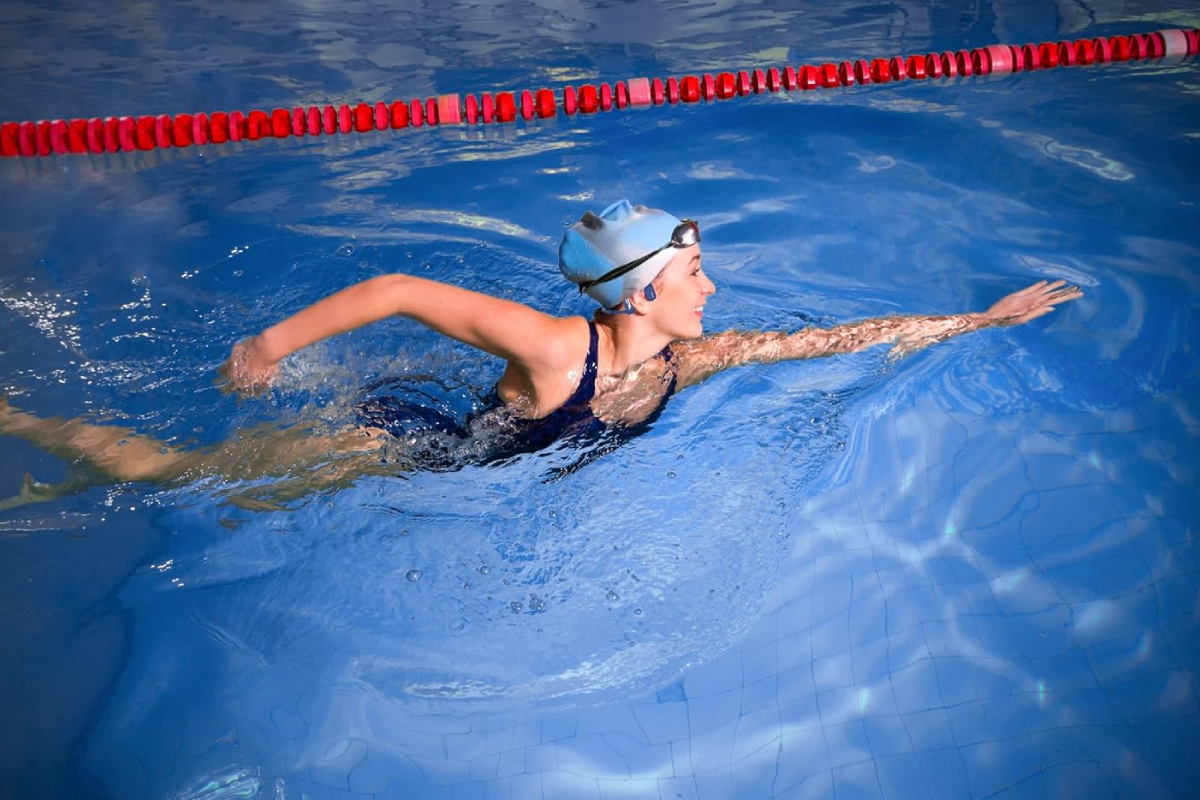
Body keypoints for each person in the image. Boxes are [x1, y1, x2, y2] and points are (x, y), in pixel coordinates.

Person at [0, 200, 1081, 508]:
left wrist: (978, 323)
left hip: (480, 468)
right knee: (186, 478)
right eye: (697, 275)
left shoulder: (682, 362)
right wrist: (268, 342)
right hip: (410, 455)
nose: (714, 288)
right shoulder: (561, 346)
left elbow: (828, 341)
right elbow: (400, 291)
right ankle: (25, 421)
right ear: (646, 289)